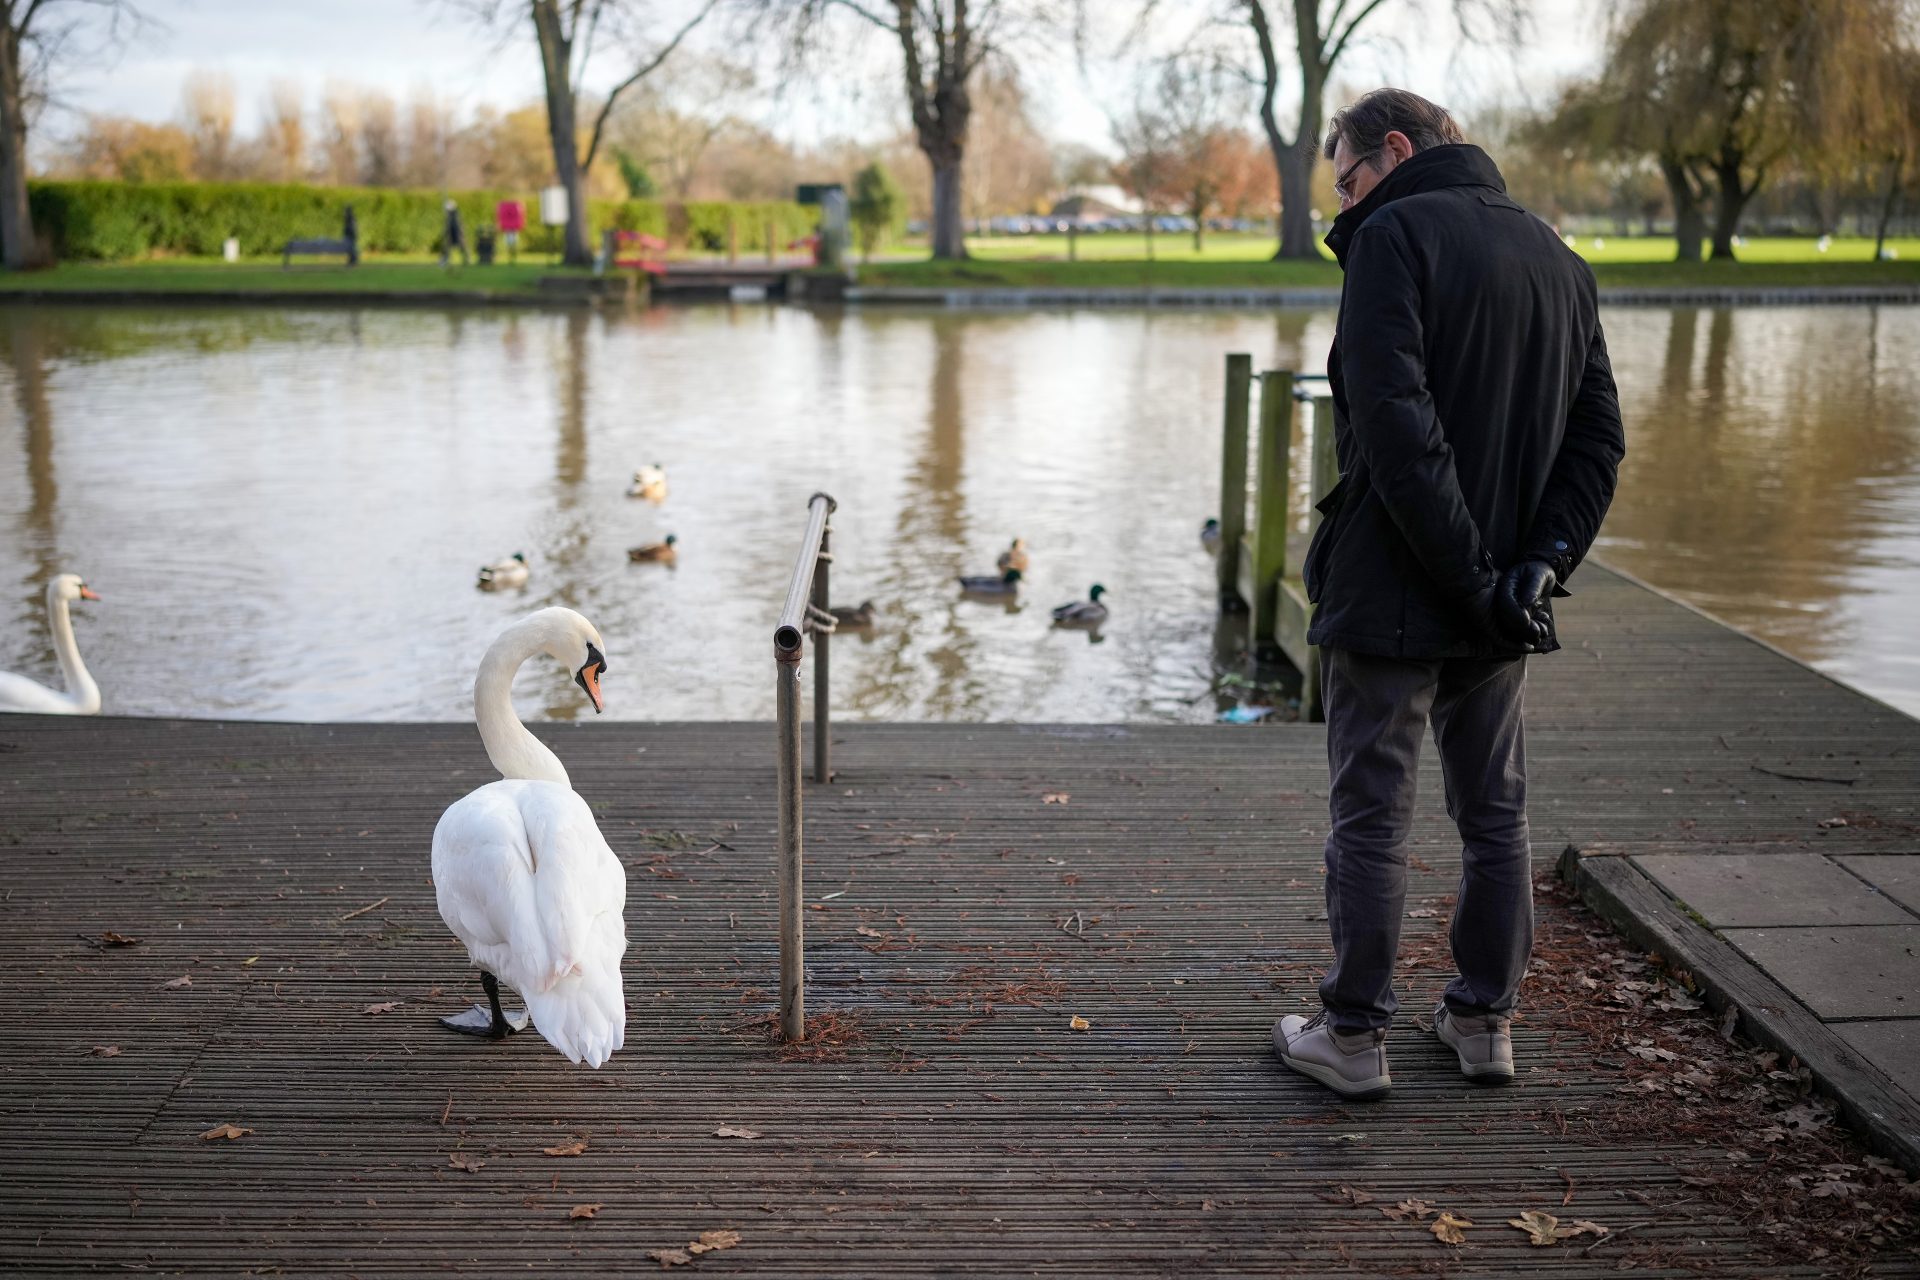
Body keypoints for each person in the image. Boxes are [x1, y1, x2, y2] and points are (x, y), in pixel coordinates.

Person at [1272, 88, 1625, 1099]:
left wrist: (1475, 571)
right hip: (1499, 600)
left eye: (1346, 178)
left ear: (1394, 148)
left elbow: (1391, 423)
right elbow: (1598, 440)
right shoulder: (1560, 258)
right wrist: (1536, 564)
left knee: (1373, 813)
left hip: (1398, 585)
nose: (1345, 202)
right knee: (1494, 811)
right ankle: (1482, 1017)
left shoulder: (1393, 238)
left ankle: (1350, 1034)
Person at [440, 199, 469, 268]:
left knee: (460, 247)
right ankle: (444, 260)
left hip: (456, 234)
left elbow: (454, 226)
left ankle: (466, 259)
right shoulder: (454, 214)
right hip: (455, 234)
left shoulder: (454, 215)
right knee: (449, 248)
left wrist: (446, 233)